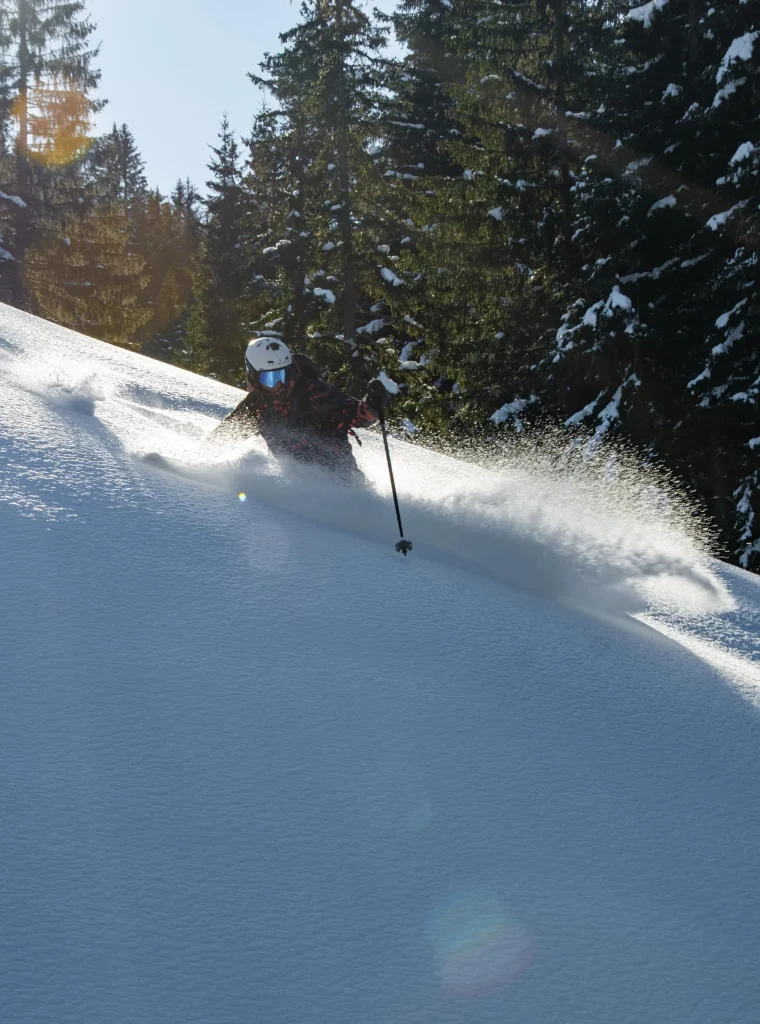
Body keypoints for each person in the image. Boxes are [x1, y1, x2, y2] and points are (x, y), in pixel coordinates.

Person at [209, 335, 389, 477]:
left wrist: (372, 406)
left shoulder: (314, 392)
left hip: (342, 480)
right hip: (296, 484)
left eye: (283, 375)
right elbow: (222, 440)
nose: (278, 384)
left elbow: (354, 414)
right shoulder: (256, 406)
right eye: (269, 379)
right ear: (253, 375)